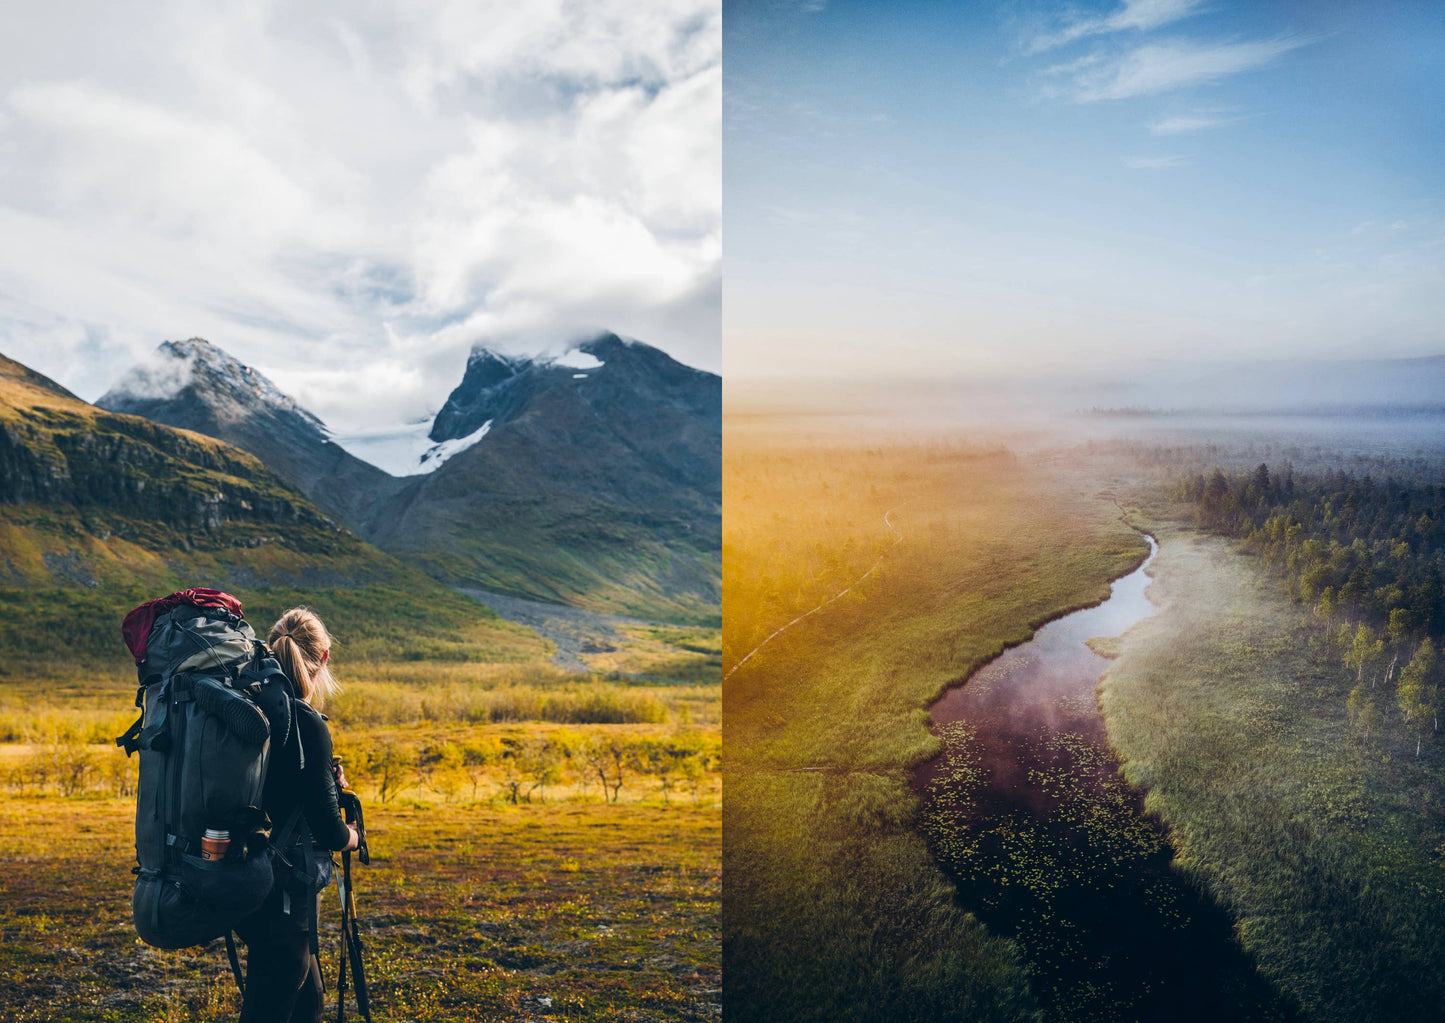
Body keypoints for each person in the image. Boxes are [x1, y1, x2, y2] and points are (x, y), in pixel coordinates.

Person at [234, 606, 360, 1023]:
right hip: (285, 892)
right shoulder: (307, 723)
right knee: (270, 1007)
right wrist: (353, 836)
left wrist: (323, 780)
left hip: (254, 875)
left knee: (307, 1000)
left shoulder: (254, 711)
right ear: (323, 658)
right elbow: (328, 828)